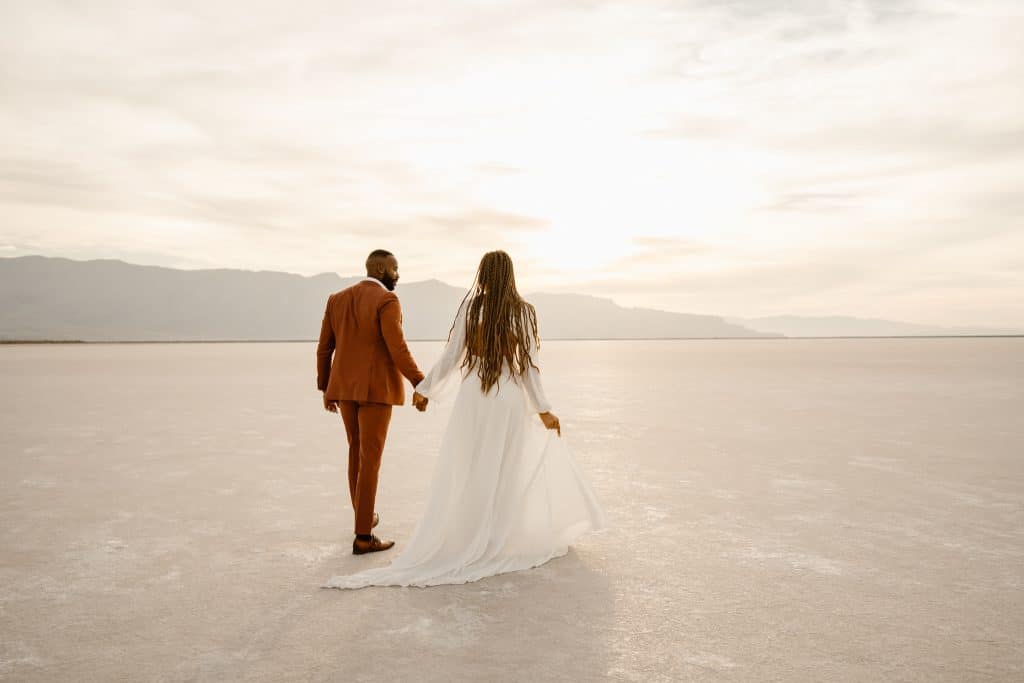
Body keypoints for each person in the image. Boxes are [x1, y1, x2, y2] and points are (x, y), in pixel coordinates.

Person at [322, 250, 606, 589]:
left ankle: (468, 531)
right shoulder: (525, 312)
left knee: (469, 466)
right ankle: (495, 536)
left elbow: (452, 356)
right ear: (510, 275)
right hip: (510, 399)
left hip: (474, 398)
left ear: (483, 275)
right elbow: (529, 367)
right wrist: (543, 408)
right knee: (507, 468)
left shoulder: (472, 308)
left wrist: (426, 389)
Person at [316, 249, 424, 555]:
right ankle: (364, 537)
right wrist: (420, 381)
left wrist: (326, 387)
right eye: (395, 268)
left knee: (356, 454)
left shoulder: (336, 299)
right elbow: (397, 348)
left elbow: (324, 349)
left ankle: (364, 518)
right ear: (381, 268)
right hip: (376, 392)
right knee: (370, 461)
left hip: (345, 390)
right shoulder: (387, 300)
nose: (398, 274)